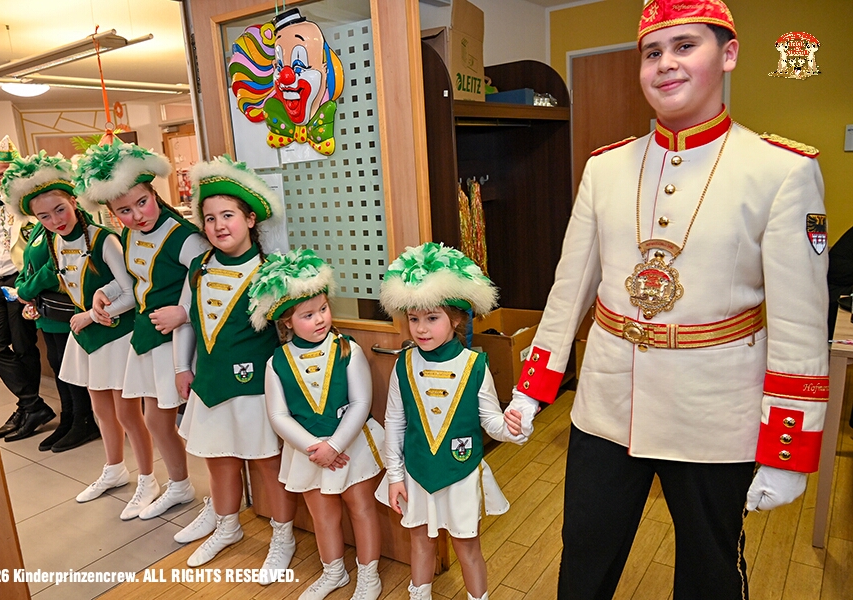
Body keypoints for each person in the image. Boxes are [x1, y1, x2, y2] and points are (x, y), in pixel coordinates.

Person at [508, 2, 829, 598]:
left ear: (728, 54)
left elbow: (799, 322)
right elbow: (570, 285)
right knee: (583, 561)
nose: (665, 64)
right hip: (606, 405)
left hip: (716, 412)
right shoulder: (605, 168)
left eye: (685, 46)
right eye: (653, 52)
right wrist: (534, 386)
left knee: (710, 573)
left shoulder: (779, 170)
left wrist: (788, 447)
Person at [376, 242, 527, 600]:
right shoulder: (403, 364)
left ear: (456, 319)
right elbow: (394, 422)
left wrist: (513, 429)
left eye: (432, 318)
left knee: (467, 547)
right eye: (414, 319)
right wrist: (394, 476)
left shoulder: (474, 365)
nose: (421, 329)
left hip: (461, 471)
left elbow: (491, 422)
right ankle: (419, 594)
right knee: (420, 542)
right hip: (416, 471)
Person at [172, 156, 298, 573]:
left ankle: (283, 536)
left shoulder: (270, 271)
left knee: (267, 463)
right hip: (209, 382)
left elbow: (290, 334)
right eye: (209, 218)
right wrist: (181, 367)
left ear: (250, 219)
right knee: (218, 458)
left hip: (254, 386)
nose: (218, 225)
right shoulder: (198, 267)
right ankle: (227, 527)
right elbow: (186, 320)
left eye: (228, 215)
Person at [75, 139, 210, 520]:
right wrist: (105, 292)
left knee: (191, 422)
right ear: (112, 213)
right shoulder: (131, 234)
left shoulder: (184, 235)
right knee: (154, 419)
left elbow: (210, 281)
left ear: (154, 193)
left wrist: (183, 312)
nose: (137, 215)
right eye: (124, 211)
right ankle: (180, 486)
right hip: (147, 335)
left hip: (179, 341)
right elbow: (137, 282)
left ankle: (213, 499)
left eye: (142, 202)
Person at [252, 248, 384, 600]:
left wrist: (335, 446)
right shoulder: (277, 362)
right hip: (308, 453)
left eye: (323, 309)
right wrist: (316, 449)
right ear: (287, 322)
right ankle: (334, 572)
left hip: (351, 446)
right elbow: (278, 416)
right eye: (308, 315)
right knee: (322, 515)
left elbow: (361, 403)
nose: (320, 319)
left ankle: (369, 576)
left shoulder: (348, 349)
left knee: (362, 508)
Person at [0, 152, 100, 453]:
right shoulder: (40, 228)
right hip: (46, 312)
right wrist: (22, 287)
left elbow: (56, 268)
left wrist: (26, 289)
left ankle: (84, 420)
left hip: (67, 310)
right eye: (44, 214)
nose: (53, 219)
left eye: (58, 210)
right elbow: (30, 263)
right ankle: (68, 418)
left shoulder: (79, 228)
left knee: (71, 369)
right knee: (57, 365)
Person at [0, 135, 56, 441]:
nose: (1, 179)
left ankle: (27, 409)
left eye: (6, 173)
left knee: (24, 346)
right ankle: (33, 404)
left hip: (20, 277)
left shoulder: (29, 199)